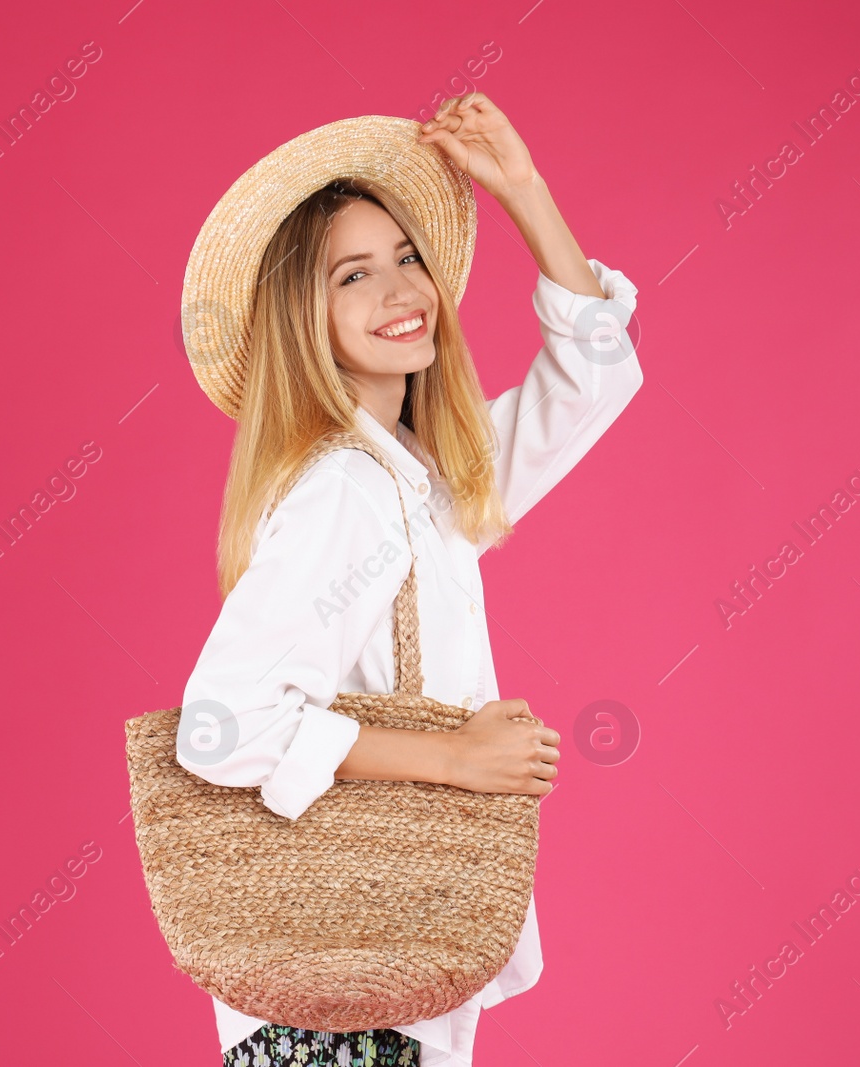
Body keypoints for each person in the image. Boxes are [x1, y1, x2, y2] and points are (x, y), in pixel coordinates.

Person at [173, 93, 643, 1067]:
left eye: (407, 256)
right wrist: (455, 759)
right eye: (356, 273)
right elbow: (221, 725)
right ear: (307, 317)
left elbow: (594, 376)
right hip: (343, 1002)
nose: (401, 289)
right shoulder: (343, 485)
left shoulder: (422, 479)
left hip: (370, 981)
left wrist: (522, 190)